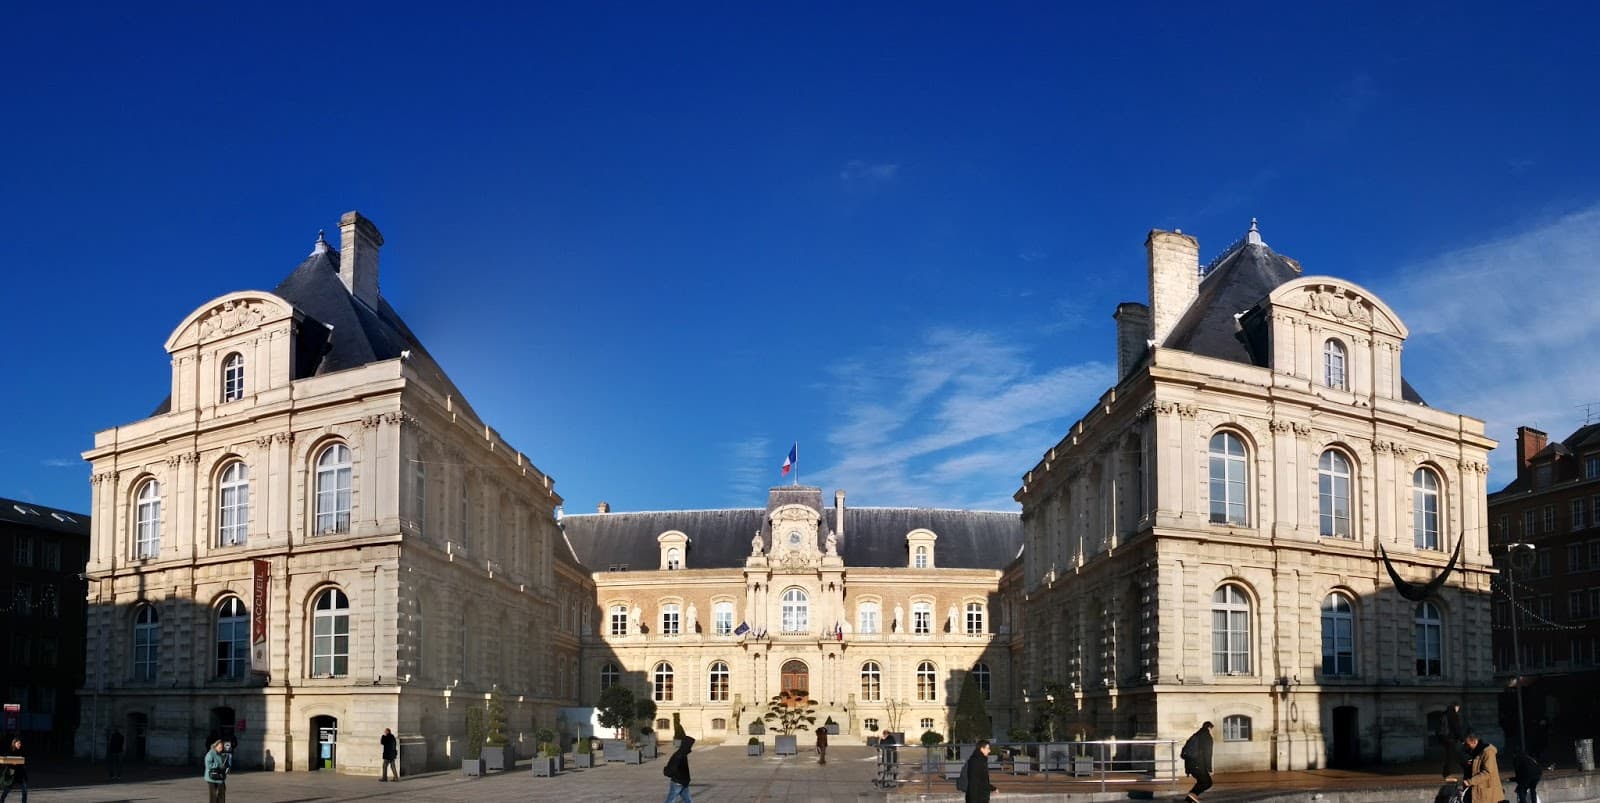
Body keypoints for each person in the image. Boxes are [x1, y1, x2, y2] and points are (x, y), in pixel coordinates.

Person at [1462, 731, 1502, 803]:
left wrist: (1470, 781)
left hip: (1486, 793)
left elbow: (1487, 772)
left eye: (1467, 744)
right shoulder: (1473, 752)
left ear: (1474, 741)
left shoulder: (1488, 752)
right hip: (1475, 792)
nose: (1465, 746)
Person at [1182, 721, 1215, 802]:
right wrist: (1209, 769)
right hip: (1198, 764)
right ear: (1209, 728)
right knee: (1207, 783)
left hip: (1192, 764)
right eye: (1212, 729)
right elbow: (1208, 754)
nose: (1212, 731)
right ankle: (1192, 795)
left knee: (1202, 781)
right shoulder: (1206, 737)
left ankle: (1190, 798)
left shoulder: (1196, 734)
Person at [958, 739, 996, 803]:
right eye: (988, 748)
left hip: (974, 795)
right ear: (982, 749)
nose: (989, 751)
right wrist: (992, 788)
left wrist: (993, 788)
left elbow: (981, 780)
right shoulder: (979, 762)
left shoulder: (975, 759)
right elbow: (979, 782)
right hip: (978, 797)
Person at [662, 733, 694, 803]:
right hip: (678, 783)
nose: (691, 747)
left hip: (683, 783)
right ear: (686, 745)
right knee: (670, 800)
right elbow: (672, 769)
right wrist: (679, 778)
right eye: (690, 745)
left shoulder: (683, 754)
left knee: (688, 800)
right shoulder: (679, 755)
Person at [1442, 702, 1467, 779]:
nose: (1458, 709)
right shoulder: (1453, 715)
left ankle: (1446, 772)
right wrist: (1462, 739)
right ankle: (1447, 773)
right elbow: (1456, 728)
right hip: (1452, 739)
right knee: (1457, 755)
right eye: (1458, 707)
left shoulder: (1444, 714)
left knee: (1450, 756)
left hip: (1446, 739)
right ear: (1455, 707)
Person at [0, 737, 27, 803]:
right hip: (12, 772)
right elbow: (5, 761)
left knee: (24, 791)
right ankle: (2, 799)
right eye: (18, 743)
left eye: (20, 743)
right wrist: (12, 763)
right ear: (14, 744)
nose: (19, 745)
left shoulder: (22, 751)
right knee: (7, 789)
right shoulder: (10, 751)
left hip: (20, 773)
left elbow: (24, 761)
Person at [204, 739, 228, 803]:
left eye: (222, 747)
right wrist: (218, 765)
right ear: (215, 746)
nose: (221, 749)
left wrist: (226, 767)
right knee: (213, 795)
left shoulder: (222, 754)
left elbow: (224, 764)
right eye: (219, 747)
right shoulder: (210, 754)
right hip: (212, 776)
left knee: (222, 792)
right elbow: (208, 765)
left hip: (220, 776)